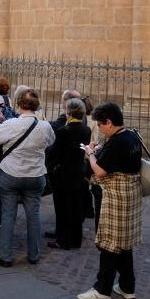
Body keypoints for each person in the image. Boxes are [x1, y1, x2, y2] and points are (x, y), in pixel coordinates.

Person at [77, 102, 143, 299]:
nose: (99, 128)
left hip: (116, 197)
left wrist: (89, 154)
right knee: (124, 243)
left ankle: (102, 289)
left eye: (100, 124)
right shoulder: (132, 136)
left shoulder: (118, 141)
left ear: (109, 122)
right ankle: (127, 286)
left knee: (109, 243)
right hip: (130, 195)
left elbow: (100, 171)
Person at [0, 88, 55, 267]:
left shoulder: (11, 124)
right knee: (34, 215)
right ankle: (34, 254)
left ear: (18, 104)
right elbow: (51, 142)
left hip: (11, 174)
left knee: (8, 214)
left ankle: (5, 256)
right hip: (35, 175)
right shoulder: (45, 126)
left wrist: (0, 128)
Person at [45, 98, 90, 249]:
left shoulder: (63, 131)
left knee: (62, 208)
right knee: (76, 208)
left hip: (63, 175)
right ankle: (76, 239)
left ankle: (63, 239)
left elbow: (54, 152)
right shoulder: (86, 130)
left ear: (68, 112)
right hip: (78, 172)